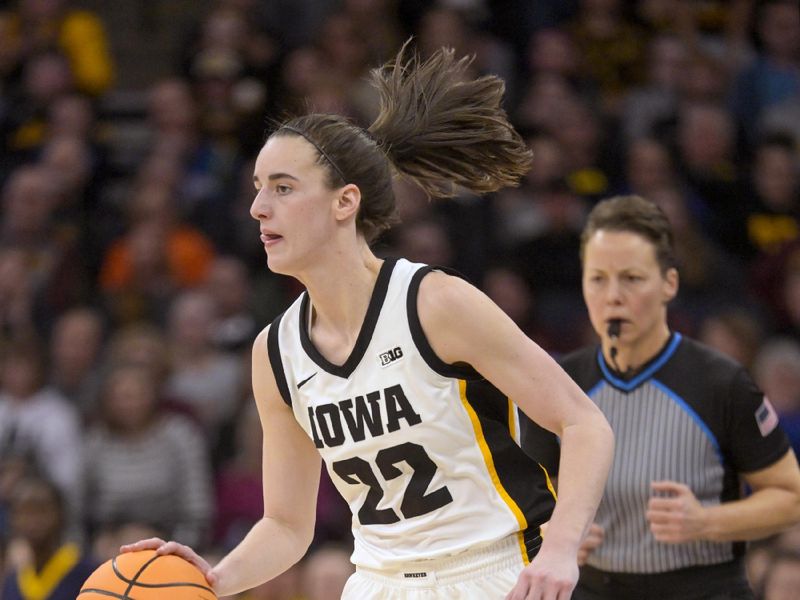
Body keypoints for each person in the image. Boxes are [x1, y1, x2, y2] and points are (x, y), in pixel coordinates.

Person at [122, 42, 614, 600]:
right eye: (258, 188)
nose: (260, 207)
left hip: (495, 570)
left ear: (344, 202)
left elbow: (584, 425)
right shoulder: (274, 352)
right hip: (377, 583)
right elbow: (286, 525)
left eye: (283, 188)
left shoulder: (434, 303)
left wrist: (560, 550)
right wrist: (209, 580)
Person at [523, 195, 800, 600]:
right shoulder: (561, 382)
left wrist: (706, 521)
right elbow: (525, 502)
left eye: (631, 278)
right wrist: (554, 535)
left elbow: (791, 498)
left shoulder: (722, 382)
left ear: (669, 282)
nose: (613, 295)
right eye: (598, 278)